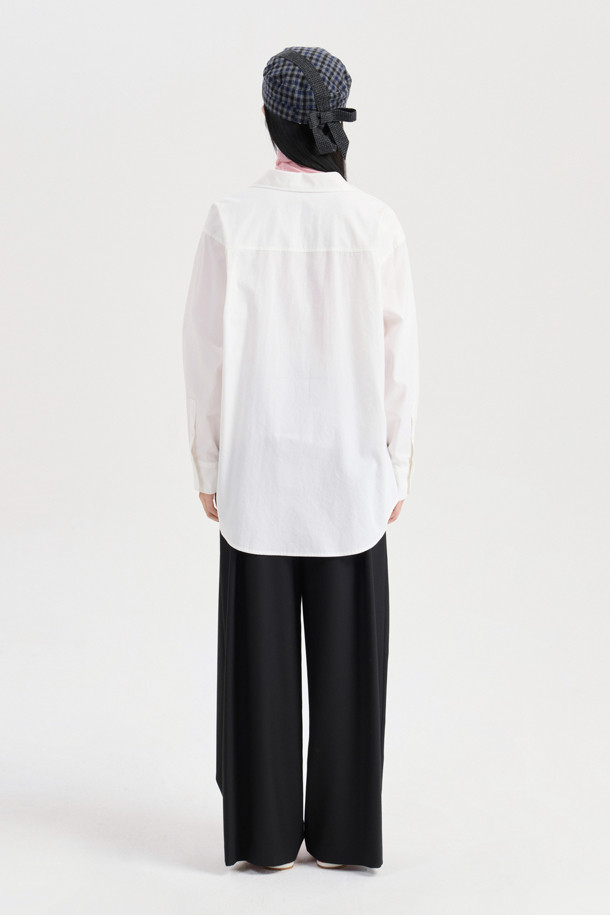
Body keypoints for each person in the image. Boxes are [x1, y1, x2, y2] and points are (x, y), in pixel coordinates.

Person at [182, 45, 420, 871]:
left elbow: (204, 353)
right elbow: (400, 358)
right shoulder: (375, 223)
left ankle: (265, 835)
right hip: (350, 475)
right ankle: (347, 834)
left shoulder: (232, 219)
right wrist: (397, 462)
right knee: (353, 664)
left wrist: (208, 464)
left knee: (258, 666)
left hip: (257, 473)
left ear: (267, 117)